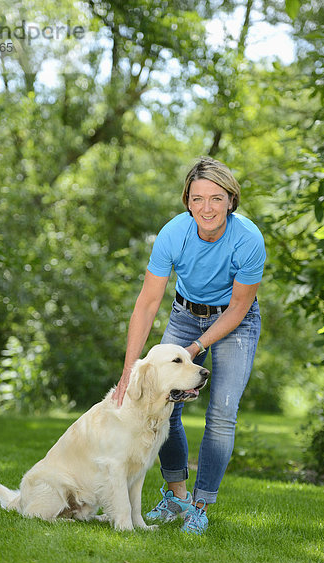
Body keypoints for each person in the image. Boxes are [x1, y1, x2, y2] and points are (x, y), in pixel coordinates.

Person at [113, 156, 266, 535]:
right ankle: (177, 496)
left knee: (222, 413)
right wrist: (130, 368)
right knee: (164, 403)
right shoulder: (173, 234)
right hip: (184, 313)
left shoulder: (248, 239)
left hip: (236, 320)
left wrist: (195, 348)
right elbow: (148, 303)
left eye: (216, 198)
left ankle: (200, 506)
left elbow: (239, 307)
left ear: (231, 199)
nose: (206, 208)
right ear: (187, 201)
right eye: (197, 199)